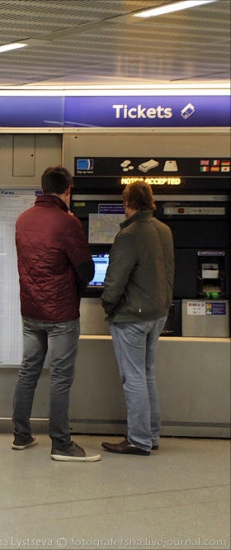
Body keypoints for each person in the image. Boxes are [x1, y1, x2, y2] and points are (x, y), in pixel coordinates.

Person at [12, 166, 99, 462]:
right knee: (60, 377)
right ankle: (61, 443)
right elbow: (87, 270)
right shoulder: (67, 222)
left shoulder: (23, 220)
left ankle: (21, 435)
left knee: (29, 371)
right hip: (61, 313)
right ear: (68, 189)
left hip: (31, 310)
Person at [101, 181, 174, 456]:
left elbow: (116, 278)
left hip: (132, 316)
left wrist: (108, 304)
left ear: (127, 202)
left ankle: (139, 440)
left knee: (132, 377)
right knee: (146, 374)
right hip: (158, 313)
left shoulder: (130, 234)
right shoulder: (164, 231)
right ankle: (151, 435)